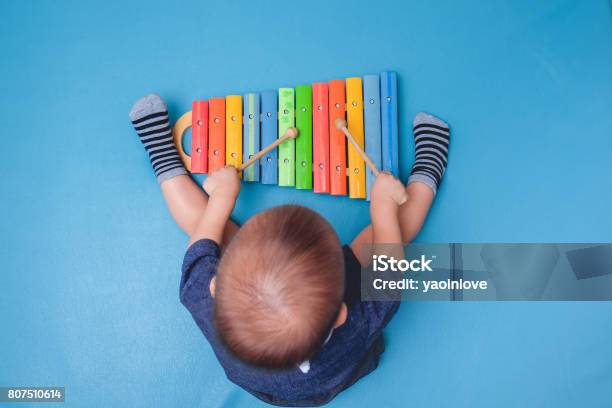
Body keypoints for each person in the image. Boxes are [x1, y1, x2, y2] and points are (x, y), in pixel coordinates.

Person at [129, 94, 450, 406]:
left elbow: (201, 243)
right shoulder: (357, 324)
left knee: (209, 224)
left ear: (217, 284)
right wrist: (382, 205)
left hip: (264, 384)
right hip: (336, 373)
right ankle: (427, 171)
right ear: (340, 313)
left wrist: (221, 199)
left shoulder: (205, 298)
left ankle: (162, 156)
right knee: (383, 237)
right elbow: (390, 269)